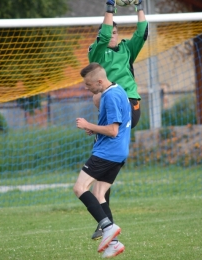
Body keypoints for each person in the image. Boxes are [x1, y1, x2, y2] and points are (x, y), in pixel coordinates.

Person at [88, 0, 148, 240]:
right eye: (108, 31)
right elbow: (102, 36)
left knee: (98, 97)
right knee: (103, 173)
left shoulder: (126, 49)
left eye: (115, 31)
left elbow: (142, 33)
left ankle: (106, 223)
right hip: (113, 114)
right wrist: (110, 7)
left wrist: (139, 7)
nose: (112, 34)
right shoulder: (96, 52)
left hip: (129, 107)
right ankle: (106, 222)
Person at [74, 62, 131, 258]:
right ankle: (113, 244)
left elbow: (113, 131)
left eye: (89, 85)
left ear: (99, 81)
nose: (87, 88)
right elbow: (111, 127)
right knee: (99, 194)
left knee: (80, 188)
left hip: (107, 153)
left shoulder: (111, 95)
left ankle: (107, 227)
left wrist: (87, 124)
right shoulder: (118, 90)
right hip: (118, 152)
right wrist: (95, 129)